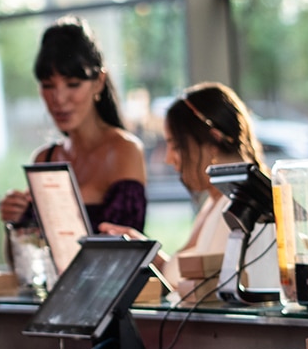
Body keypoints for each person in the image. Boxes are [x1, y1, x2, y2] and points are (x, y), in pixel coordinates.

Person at [101, 81, 277, 295]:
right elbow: (195, 275)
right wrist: (148, 253)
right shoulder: (214, 202)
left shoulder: (239, 208)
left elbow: (208, 290)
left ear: (213, 139)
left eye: (175, 145)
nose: (168, 158)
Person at [0, 16, 148, 233]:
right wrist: (14, 219)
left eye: (73, 84)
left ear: (99, 82)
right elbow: (26, 257)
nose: (59, 98)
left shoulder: (124, 150)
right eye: (48, 85)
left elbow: (127, 249)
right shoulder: (44, 160)